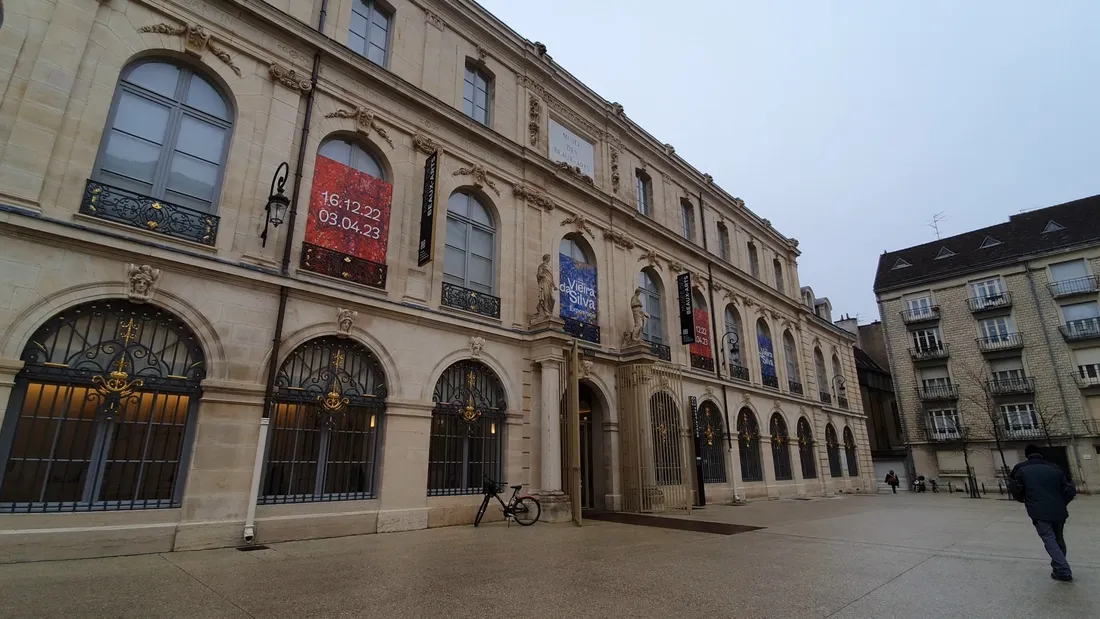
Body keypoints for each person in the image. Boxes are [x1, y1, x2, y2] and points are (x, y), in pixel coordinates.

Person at [1008, 445, 1077, 582]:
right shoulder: (1055, 467)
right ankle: (1058, 567)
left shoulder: (1020, 468)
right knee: (1058, 538)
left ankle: (1063, 570)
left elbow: (1014, 487)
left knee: (1048, 538)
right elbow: (1070, 488)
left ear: (1027, 455)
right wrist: (1062, 502)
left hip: (1038, 509)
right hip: (1059, 509)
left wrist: (1023, 499)